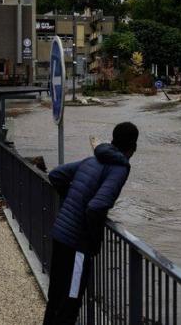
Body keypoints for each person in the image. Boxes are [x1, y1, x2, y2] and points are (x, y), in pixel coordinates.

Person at [43, 122, 139, 324]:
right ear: (133, 147)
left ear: (113, 140)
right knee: (70, 302)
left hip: (60, 233)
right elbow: (96, 207)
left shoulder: (93, 158)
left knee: (56, 296)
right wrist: (94, 243)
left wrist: (72, 201)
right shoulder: (120, 168)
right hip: (76, 243)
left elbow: (56, 175)